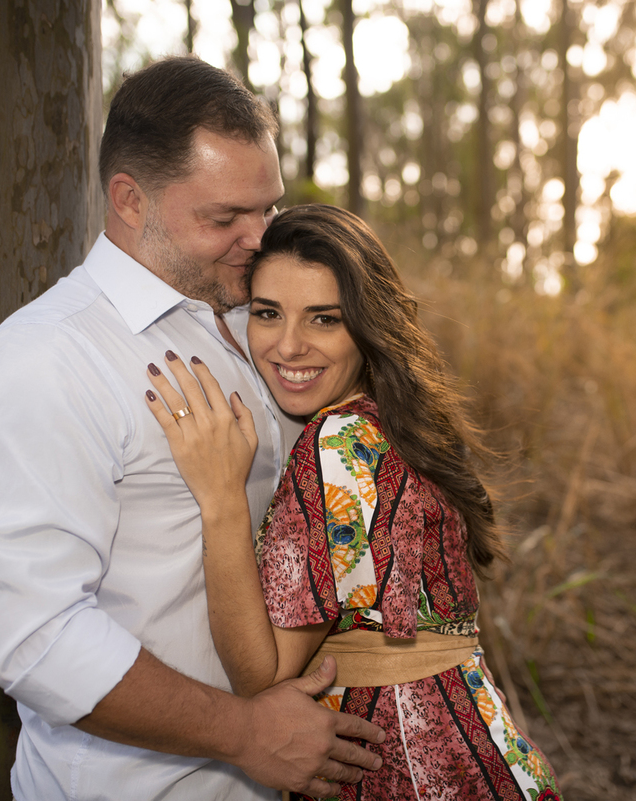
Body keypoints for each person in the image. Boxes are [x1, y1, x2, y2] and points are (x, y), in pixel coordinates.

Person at [0, 58, 384, 801]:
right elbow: (33, 635)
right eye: (224, 218)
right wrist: (246, 733)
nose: (259, 236)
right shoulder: (41, 364)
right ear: (129, 200)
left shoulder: (265, 324)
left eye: (268, 208)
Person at [144, 204, 563, 800]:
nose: (288, 346)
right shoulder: (398, 422)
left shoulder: (336, 443)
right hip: (490, 753)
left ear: (367, 326)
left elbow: (264, 676)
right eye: (267, 313)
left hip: (401, 768)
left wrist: (220, 500)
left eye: (324, 319)